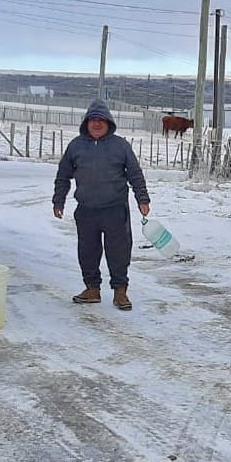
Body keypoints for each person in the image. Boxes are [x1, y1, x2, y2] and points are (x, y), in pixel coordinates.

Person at [53, 98, 151, 310]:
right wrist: (58, 199)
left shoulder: (120, 146)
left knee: (119, 251)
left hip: (115, 209)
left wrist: (142, 198)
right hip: (86, 210)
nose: (97, 124)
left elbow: (135, 174)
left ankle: (120, 292)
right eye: (93, 120)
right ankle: (92, 289)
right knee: (87, 252)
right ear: (86, 123)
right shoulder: (76, 146)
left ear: (109, 123)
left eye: (101, 120)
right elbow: (63, 175)